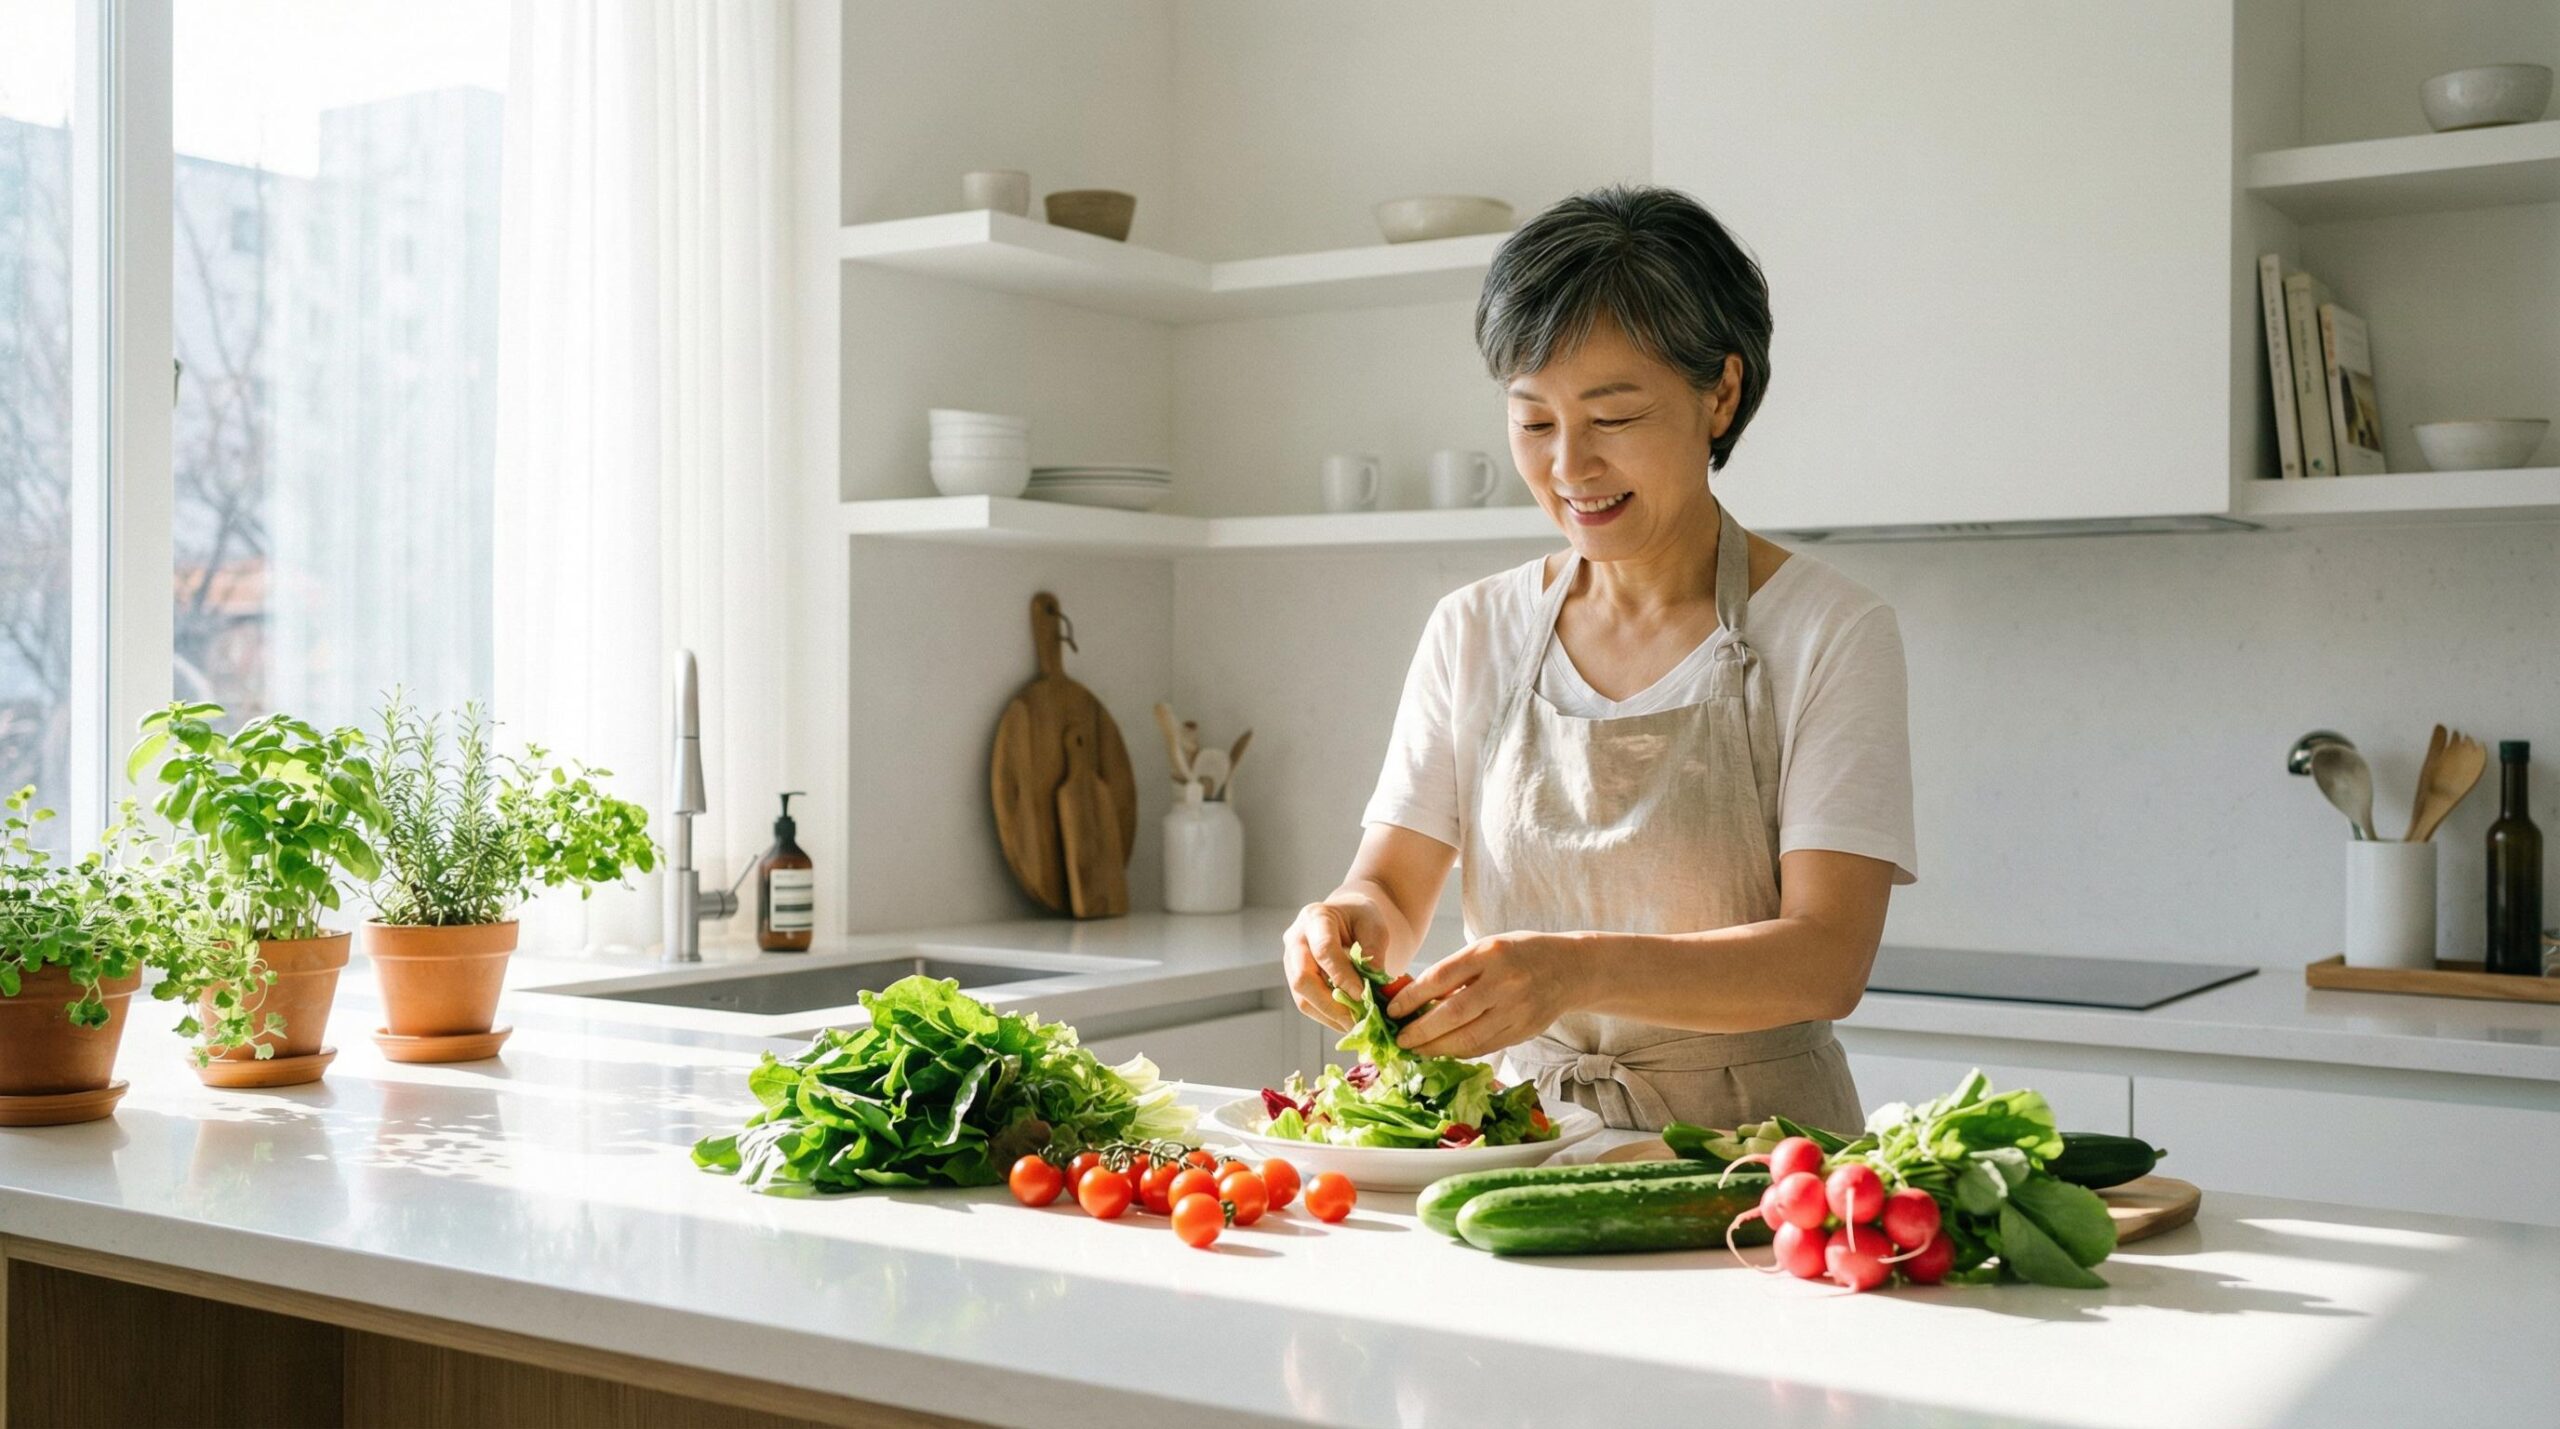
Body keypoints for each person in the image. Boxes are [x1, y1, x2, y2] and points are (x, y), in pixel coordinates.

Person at [1281, 184, 1918, 1133]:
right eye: (1534, 422)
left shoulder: (1829, 629)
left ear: (1722, 394)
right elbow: (1391, 885)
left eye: (1612, 418)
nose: (1569, 469)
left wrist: (1573, 968)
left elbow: (1826, 959)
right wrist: (1343, 927)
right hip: (1508, 1149)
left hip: (1764, 1162)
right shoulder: (1474, 629)